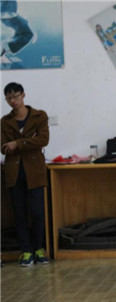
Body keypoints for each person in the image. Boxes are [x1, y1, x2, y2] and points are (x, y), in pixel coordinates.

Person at [1, 82, 49, 267]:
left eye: (16, 96)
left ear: (23, 95)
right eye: (9, 98)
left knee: (37, 211)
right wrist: (29, 140)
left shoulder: (39, 116)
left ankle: (38, 248)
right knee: (19, 213)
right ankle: (26, 251)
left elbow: (43, 139)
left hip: (34, 171)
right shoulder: (5, 121)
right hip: (14, 171)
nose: (13, 101)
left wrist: (18, 143)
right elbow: (3, 147)